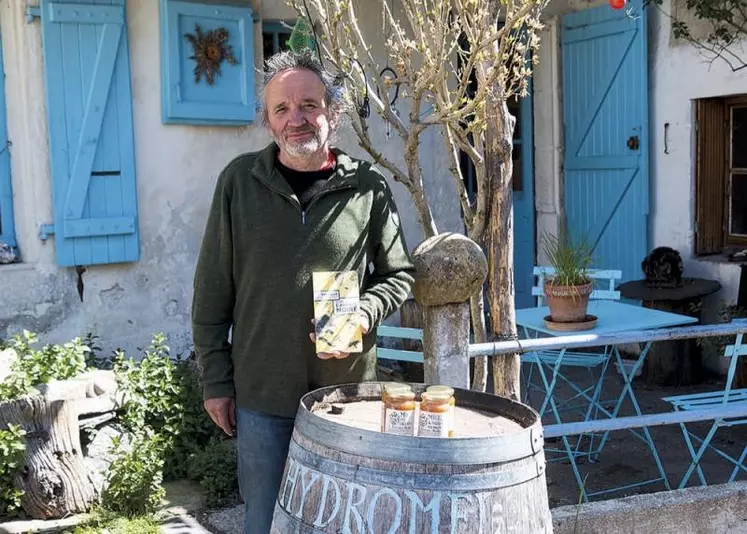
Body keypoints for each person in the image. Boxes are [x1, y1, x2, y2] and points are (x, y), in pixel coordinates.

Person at [190, 50, 416, 534]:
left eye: (309, 105)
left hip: (347, 396)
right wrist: (216, 381)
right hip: (262, 397)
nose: (297, 119)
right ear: (269, 122)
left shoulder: (367, 186)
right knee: (267, 521)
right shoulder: (238, 183)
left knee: (347, 519)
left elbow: (399, 273)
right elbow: (211, 292)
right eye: (282, 109)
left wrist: (364, 310)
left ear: (332, 113)